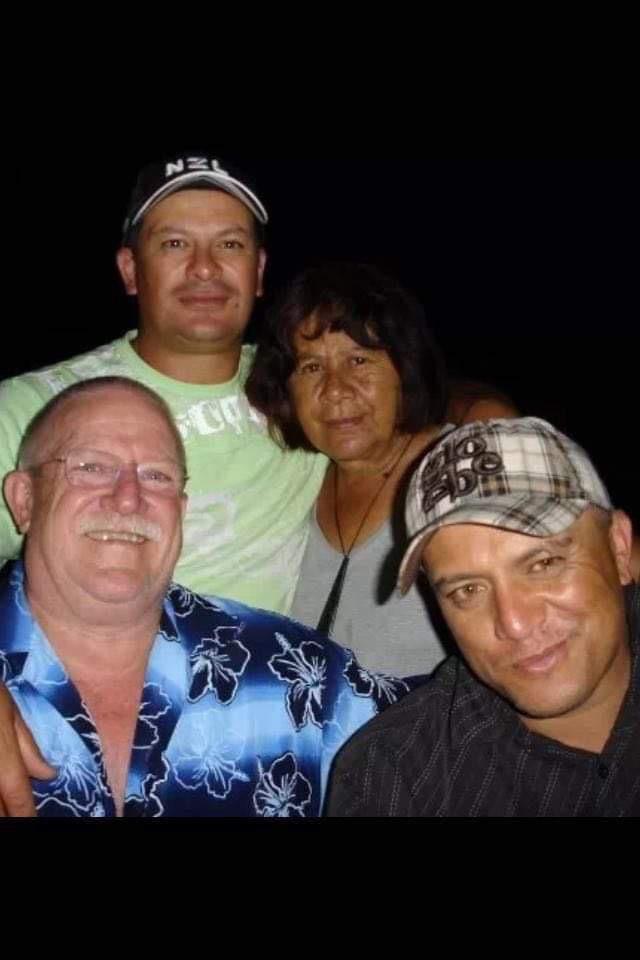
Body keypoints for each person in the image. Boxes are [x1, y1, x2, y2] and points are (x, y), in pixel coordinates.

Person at [0, 377, 405, 818]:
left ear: (181, 511)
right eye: (92, 467)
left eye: (157, 476)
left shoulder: (289, 669)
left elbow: (445, 734)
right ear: (24, 499)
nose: (129, 498)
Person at [0, 155, 326, 613]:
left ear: (258, 270)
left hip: (266, 658)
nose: (205, 268)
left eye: (230, 244)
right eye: (175, 243)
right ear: (131, 270)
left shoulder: (311, 390)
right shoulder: (30, 407)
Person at [326, 417, 640, 816]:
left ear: (618, 547)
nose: (515, 623)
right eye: (468, 590)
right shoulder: (392, 780)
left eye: (543, 564)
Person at [246, 262, 518, 678]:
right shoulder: (295, 483)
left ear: (404, 369)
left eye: (358, 360)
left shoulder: (464, 472)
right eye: (311, 367)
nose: (335, 390)